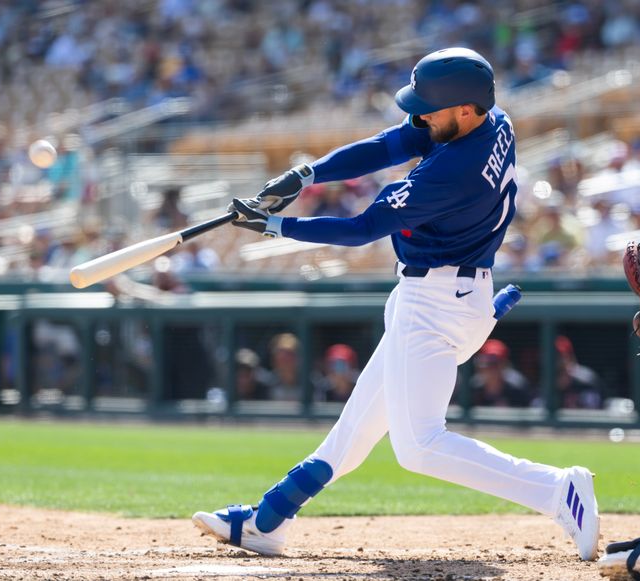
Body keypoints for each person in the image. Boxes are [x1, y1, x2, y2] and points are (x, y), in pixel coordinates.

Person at [192, 47, 599, 561]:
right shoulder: (493, 121)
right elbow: (393, 142)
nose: (421, 115)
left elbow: (363, 228)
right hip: (455, 297)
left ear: (465, 110)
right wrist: (306, 176)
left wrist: (276, 227)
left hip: (434, 306)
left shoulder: (453, 171)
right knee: (355, 431)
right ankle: (266, 521)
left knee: (420, 446)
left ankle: (557, 489)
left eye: (431, 107)